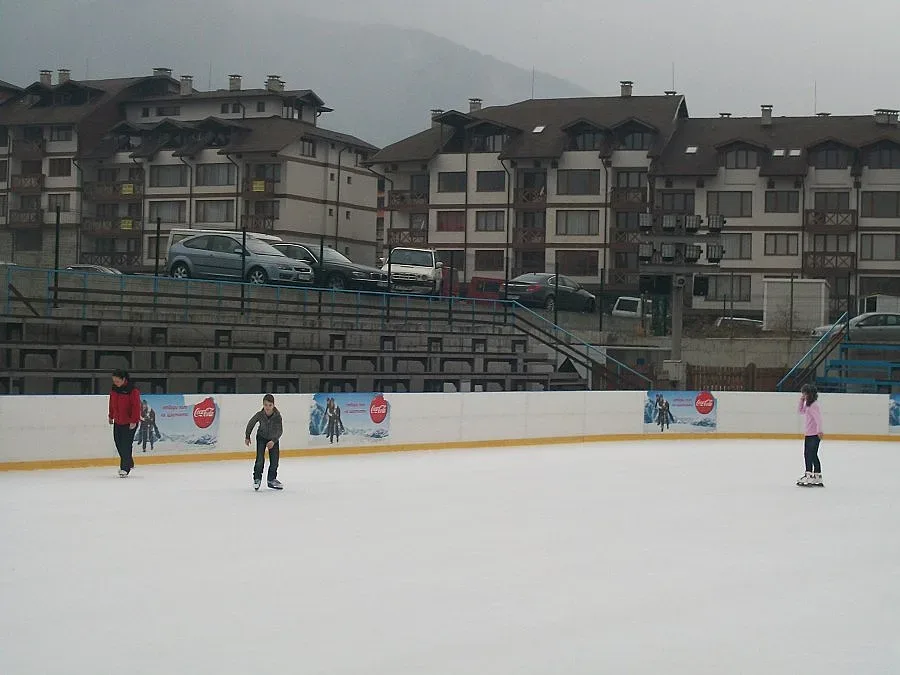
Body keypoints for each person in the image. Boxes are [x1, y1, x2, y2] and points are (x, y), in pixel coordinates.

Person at [245, 394, 284, 491]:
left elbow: (280, 430)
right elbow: (251, 423)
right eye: (266, 405)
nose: (267, 407)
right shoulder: (260, 414)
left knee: (274, 462)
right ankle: (257, 479)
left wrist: (273, 441)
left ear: (273, 405)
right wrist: (247, 436)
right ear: (263, 405)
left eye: (270, 405)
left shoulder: (277, 416)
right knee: (259, 460)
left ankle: (271, 479)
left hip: (273, 439)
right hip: (261, 438)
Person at [108, 369, 141, 477]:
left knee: (126, 445)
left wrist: (134, 421)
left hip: (129, 422)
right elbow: (111, 403)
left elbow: (136, 406)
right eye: (114, 381)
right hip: (118, 420)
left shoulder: (132, 390)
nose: (115, 383)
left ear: (123, 379)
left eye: (117, 381)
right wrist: (111, 415)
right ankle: (129, 462)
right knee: (118, 443)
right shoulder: (114, 389)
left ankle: (125, 468)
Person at [796, 383, 824, 487]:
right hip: (810, 433)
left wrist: (819, 431)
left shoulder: (813, 406)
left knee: (809, 455)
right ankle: (817, 475)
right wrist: (801, 400)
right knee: (812, 455)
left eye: (804, 393)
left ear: (809, 394)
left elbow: (818, 419)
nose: (803, 395)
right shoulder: (809, 405)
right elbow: (800, 411)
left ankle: (809, 474)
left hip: (814, 435)